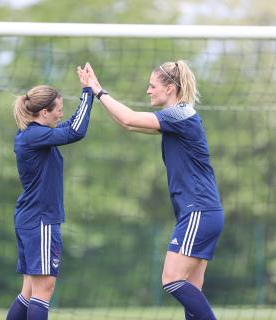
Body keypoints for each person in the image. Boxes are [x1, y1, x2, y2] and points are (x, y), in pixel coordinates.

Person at [84, 61, 224, 320]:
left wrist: (99, 91)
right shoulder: (176, 118)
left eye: (152, 86)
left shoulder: (180, 115)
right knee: (192, 291)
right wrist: (97, 92)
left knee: (171, 280)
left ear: (170, 88)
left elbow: (128, 117)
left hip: (199, 211)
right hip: (202, 212)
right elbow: (127, 124)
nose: (148, 91)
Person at [6, 64, 94, 320]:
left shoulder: (34, 135)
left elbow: (67, 127)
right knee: (44, 290)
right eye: (58, 110)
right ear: (44, 112)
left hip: (31, 219)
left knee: (29, 292)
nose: (60, 114)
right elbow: (75, 131)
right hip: (40, 221)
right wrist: (88, 92)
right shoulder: (34, 137)